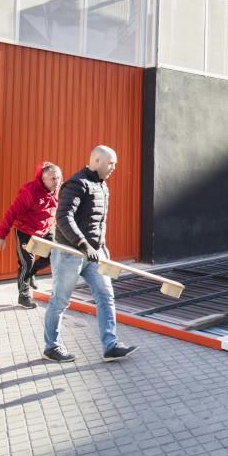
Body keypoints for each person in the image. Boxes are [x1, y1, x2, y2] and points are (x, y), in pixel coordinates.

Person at [43, 145, 137, 363]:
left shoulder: (102, 186)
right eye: (111, 163)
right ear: (96, 161)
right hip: (69, 254)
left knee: (106, 296)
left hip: (95, 254)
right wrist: (83, 244)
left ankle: (111, 345)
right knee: (60, 301)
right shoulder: (78, 184)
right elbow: (63, 216)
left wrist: (102, 247)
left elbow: (97, 223)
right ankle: (52, 347)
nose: (114, 167)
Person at [0, 162, 62, 309]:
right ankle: (23, 296)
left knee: (54, 255)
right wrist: (1, 236)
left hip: (47, 229)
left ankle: (32, 273)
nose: (56, 182)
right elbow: (11, 213)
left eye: (58, 178)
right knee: (26, 262)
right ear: (43, 180)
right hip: (26, 230)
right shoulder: (30, 192)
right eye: (52, 179)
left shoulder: (58, 188)